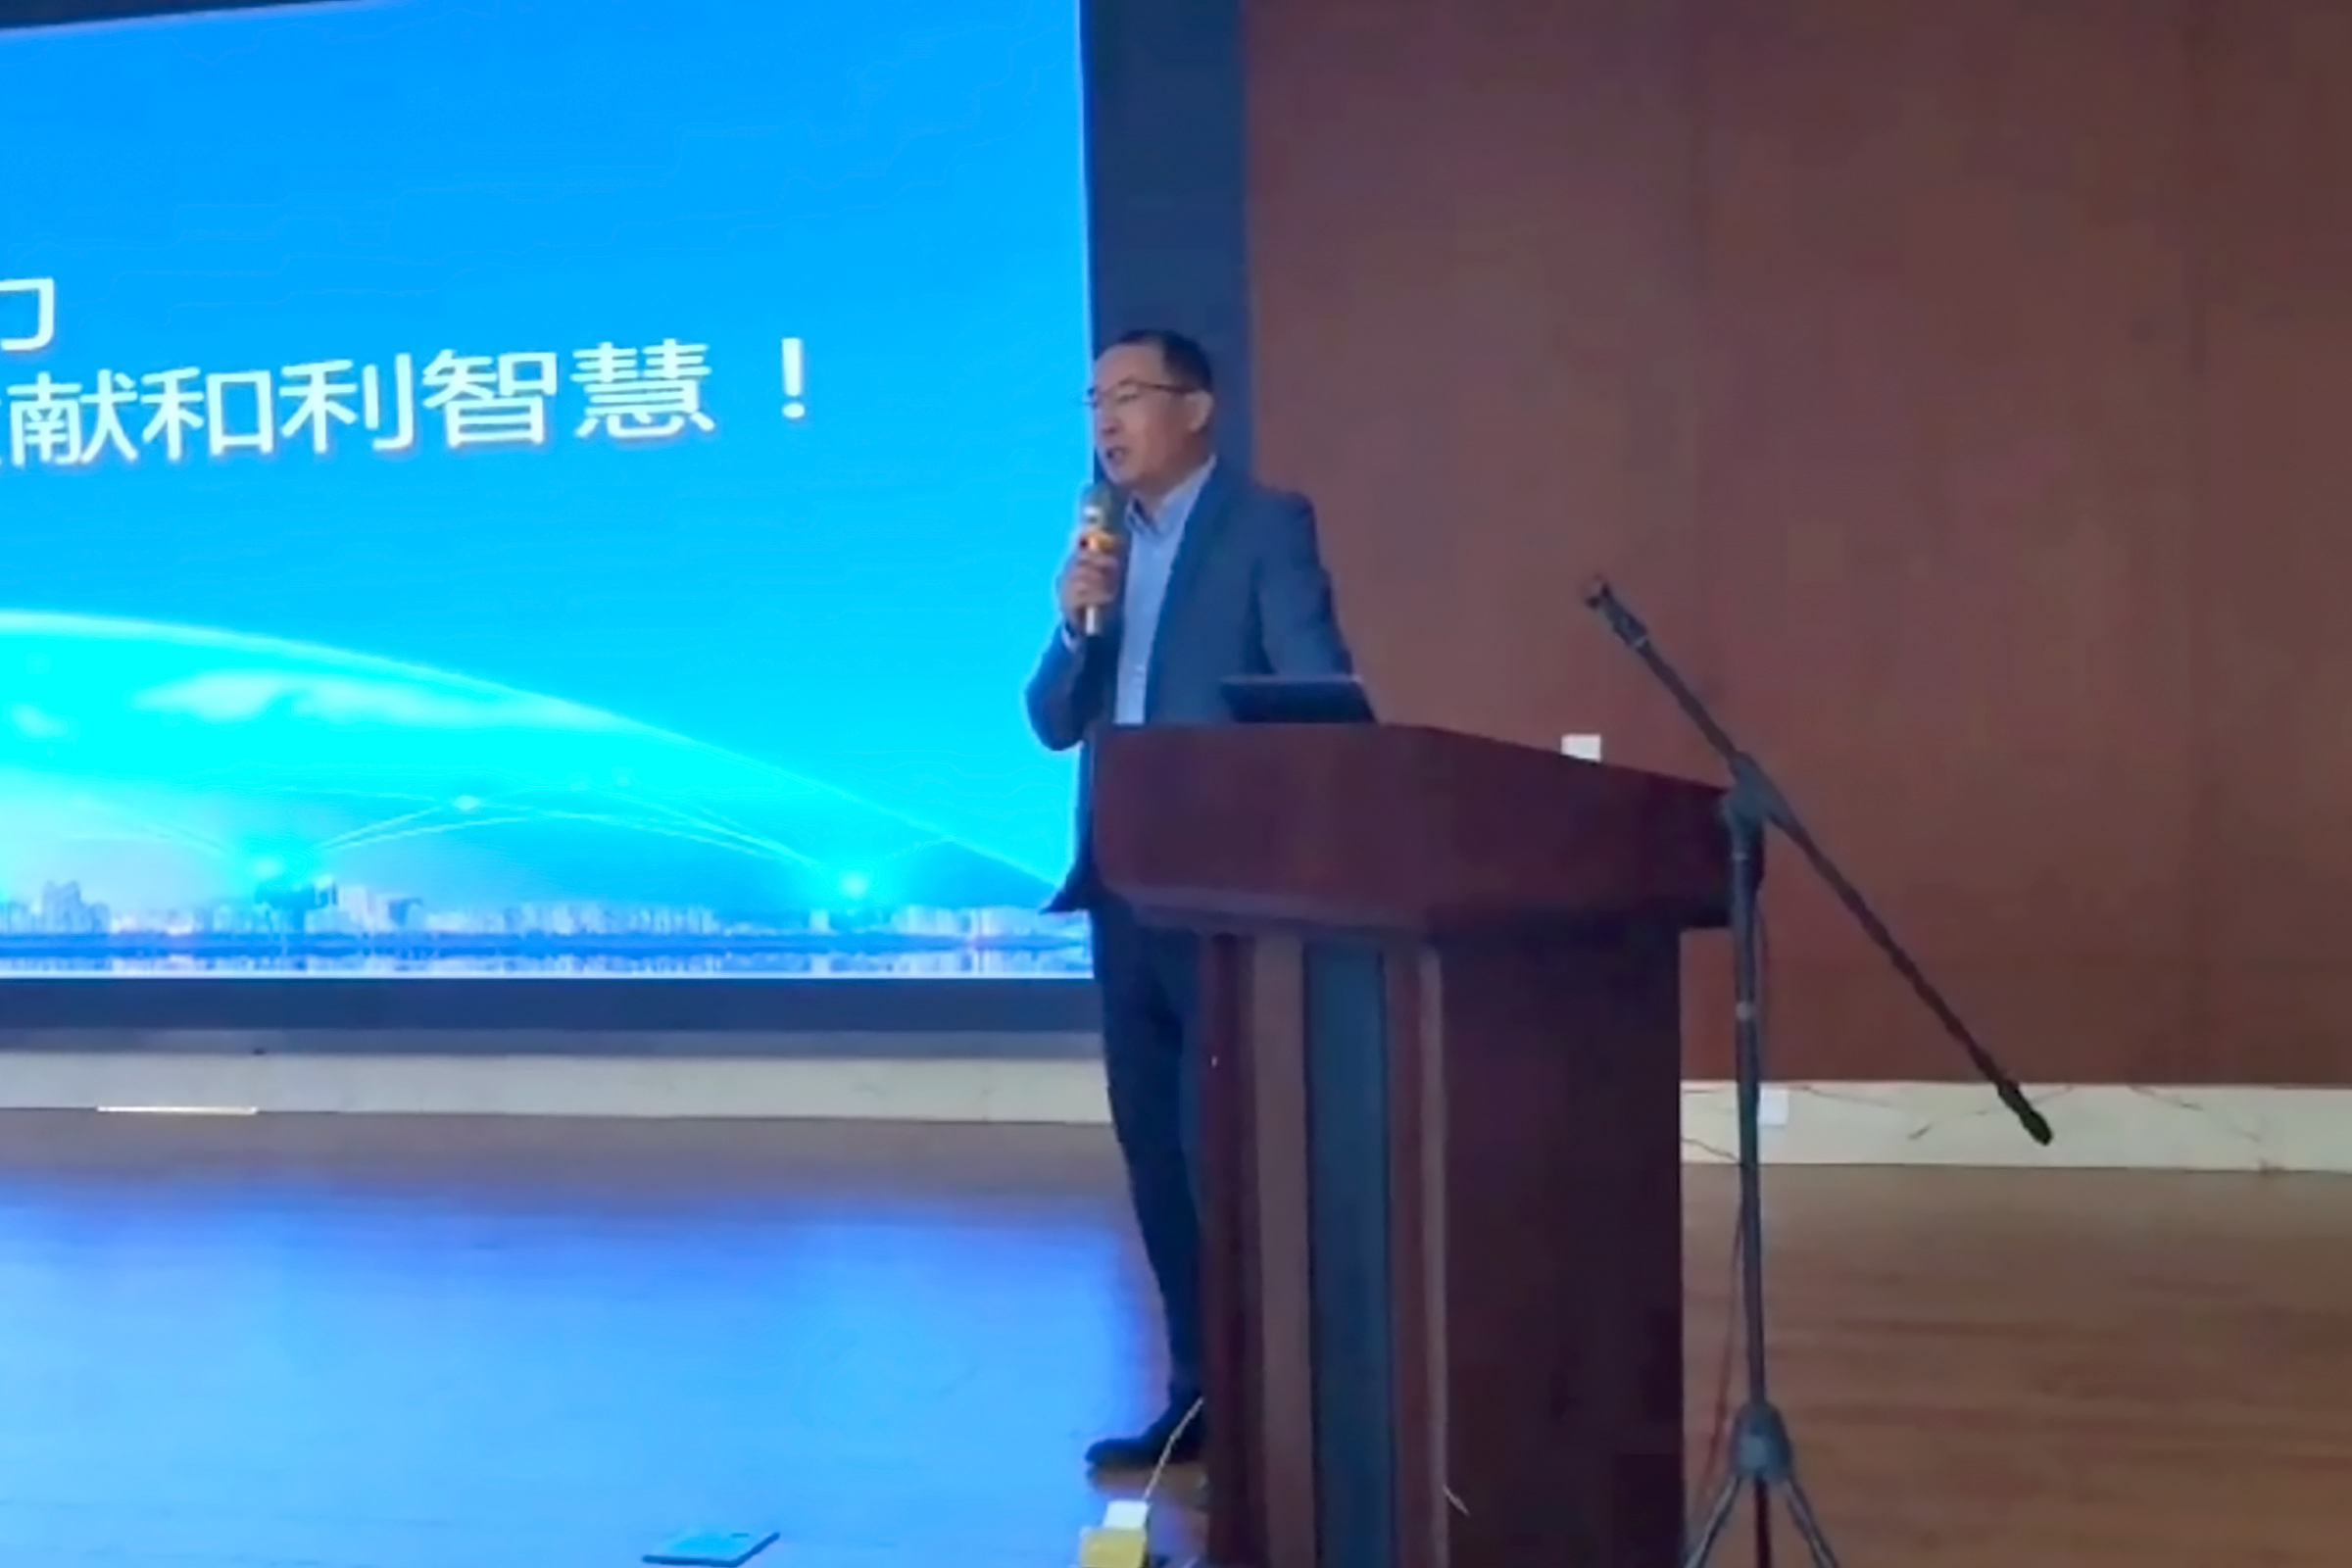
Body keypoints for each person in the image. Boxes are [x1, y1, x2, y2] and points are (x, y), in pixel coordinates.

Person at [1025, 328, 1355, 1472]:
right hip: (1122, 888)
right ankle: (1199, 1394)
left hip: (1221, 895)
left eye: (1129, 395)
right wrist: (1073, 621)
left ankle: (1287, 1399)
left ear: (1197, 407)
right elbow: (1050, 719)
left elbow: (1317, 691)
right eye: (1094, 401)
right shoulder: (1100, 543)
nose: (1107, 421)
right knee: (1157, 1161)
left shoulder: (1265, 526)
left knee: (1225, 1157)